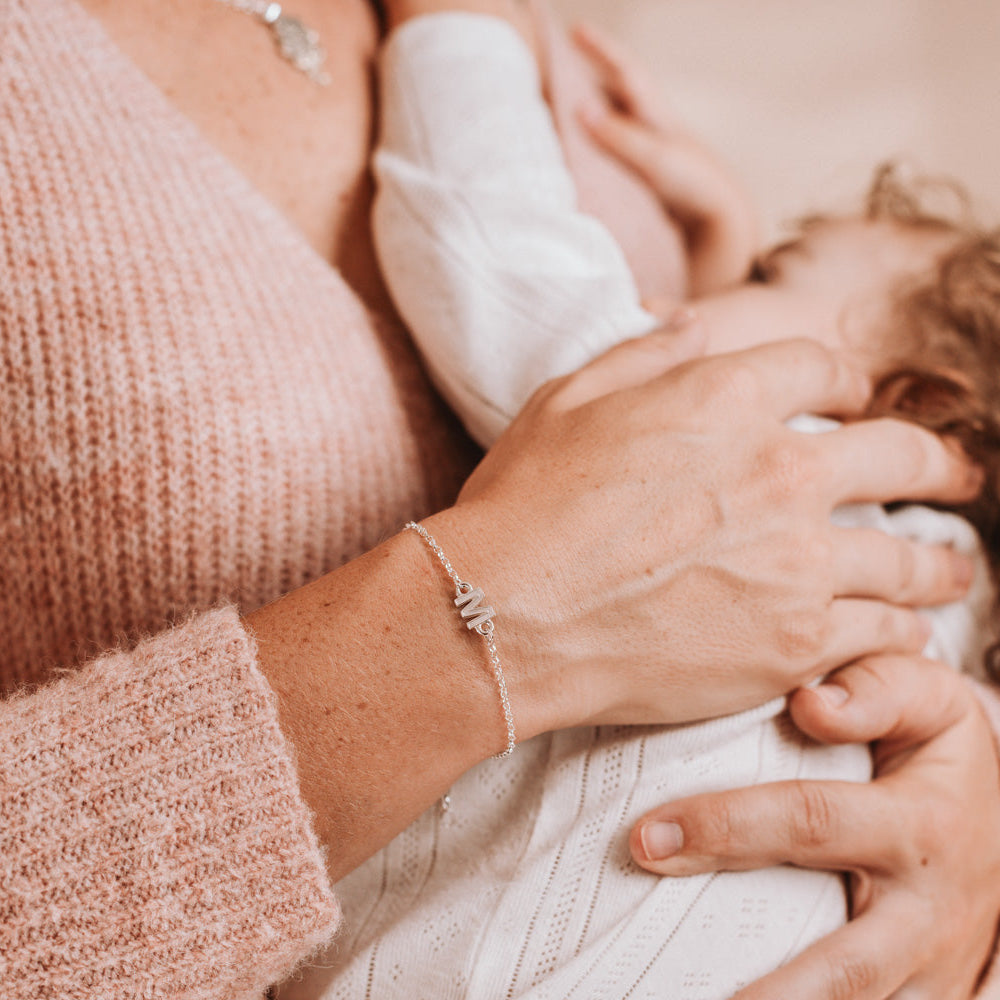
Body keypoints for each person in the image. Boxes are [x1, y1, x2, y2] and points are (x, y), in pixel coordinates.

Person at [2, 1, 1000, 999]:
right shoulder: (939, 592)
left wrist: (459, 39)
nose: (669, 306)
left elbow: (484, 237)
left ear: (900, 405)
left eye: (770, 270)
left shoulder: (706, 417)